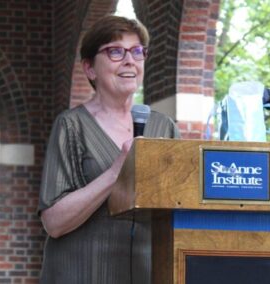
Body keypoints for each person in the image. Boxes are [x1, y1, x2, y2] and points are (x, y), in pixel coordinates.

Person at [38, 15, 180, 284]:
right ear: (90, 69)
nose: (130, 60)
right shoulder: (71, 126)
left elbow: (178, 206)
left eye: (137, 52)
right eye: (115, 52)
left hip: (145, 273)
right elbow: (54, 223)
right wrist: (117, 170)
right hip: (80, 272)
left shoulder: (164, 128)